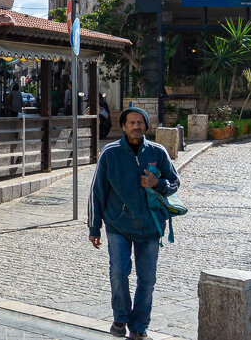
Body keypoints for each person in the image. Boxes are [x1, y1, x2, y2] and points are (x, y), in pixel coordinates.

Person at [88, 106, 180, 339]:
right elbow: (96, 191)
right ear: (124, 126)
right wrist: (94, 226)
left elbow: (175, 183)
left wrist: (157, 183)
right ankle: (120, 319)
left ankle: (139, 326)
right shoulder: (110, 153)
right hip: (118, 225)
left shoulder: (158, 153)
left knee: (147, 279)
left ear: (146, 126)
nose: (137, 126)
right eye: (132, 122)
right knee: (119, 272)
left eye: (141, 122)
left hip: (150, 226)